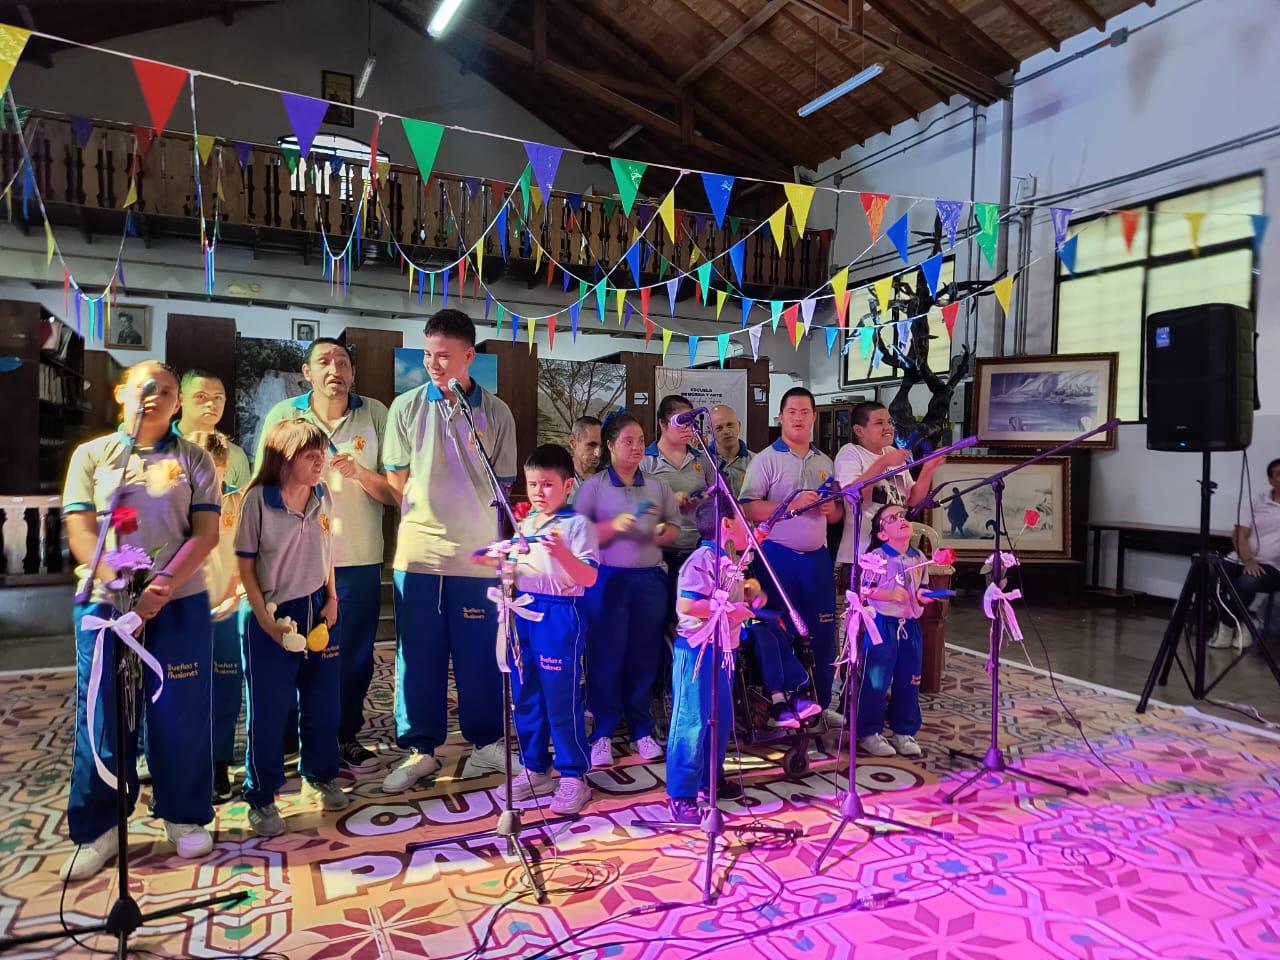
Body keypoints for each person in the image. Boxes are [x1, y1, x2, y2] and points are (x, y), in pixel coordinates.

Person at [60, 361, 221, 881]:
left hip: (176, 601)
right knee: (102, 714)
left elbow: (205, 534)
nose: (155, 397)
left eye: (167, 391)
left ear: (178, 403)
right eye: (145, 387)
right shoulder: (93, 456)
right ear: (121, 393)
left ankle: (184, 813)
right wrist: (112, 578)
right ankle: (99, 826)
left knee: (179, 710)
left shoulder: (195, 460)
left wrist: (162, 585)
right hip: (107, 603)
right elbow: (82, 530)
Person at [381, 309, 517, 792]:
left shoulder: (497, 412)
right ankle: (420, 749)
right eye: (428, 354)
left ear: (468, 357)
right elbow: (397, 480)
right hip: (418, 555)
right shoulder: (405, 407)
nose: (434, 364)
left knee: (479, 654)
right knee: (418, 654)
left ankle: (485, 745)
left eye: (444, 356)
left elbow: (501, 487)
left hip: (477, 556)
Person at [254, 338, 394, 767]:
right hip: (293, 558)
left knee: (351, 654)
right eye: (324, 362)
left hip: (357, 557)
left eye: (343, 362)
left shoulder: (374, 414)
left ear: (353, 372)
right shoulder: (285, 415)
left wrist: (358, 473)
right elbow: (264, 486)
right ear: (306, 371)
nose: (335, 369)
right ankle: (290, 737)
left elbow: (393, 493)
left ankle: (343, 733)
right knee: (290, 647)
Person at [473, 444, 599, 815]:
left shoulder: (579, 525)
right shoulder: (524, 523)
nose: (539, 493)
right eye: (532, 484)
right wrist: (502, 562)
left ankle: (574, 774)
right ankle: (534, 767)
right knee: (525, 694)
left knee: (561, 699)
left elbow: (588, 577)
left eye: (547, 484)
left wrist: (561, 553)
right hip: (522, 614)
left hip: (560, 615)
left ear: (568, 484)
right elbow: (514, 568)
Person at [235, 419, 345, 836]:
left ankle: (320, 774)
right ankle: (261, 798)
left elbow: (329, 550)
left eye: (322, 455)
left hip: (318, 608)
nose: (320, 463)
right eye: (310, 455)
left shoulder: (322, 496)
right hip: (273, 612)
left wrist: (332, 600)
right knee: (269, 709)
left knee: (323, 702)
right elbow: (245, 563)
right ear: (283, 458)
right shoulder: (258, 501)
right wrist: (264, 617)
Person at [575, 412, 680, 767]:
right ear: (610, 445)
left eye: (640, 441)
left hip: (649, 580)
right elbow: (577, 536)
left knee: (644, 656)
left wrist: (652, 534)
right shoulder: (594, 487)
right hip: (606, 580)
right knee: (605, 656)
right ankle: (602, 731)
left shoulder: (657, 486)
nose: (636, 448)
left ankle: (642, 730)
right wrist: (614, 529)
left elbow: (673, 530)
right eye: (627, 441)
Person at [740, 388, 843, 722]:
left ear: (814, 416)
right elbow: (748, 508)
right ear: (780, 417)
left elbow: (838, 515)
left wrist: (831, 509)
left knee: (822, 634)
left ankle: (821, 704)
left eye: (805, 412)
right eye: (792, 411)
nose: (799, 418)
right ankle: (780, 702)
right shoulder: (766, 459)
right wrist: (789, 504)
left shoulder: (825, 461)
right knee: (778, 631)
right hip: (776, 558)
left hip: (816, 560)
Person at [665, 492, 756, 823]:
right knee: (692, 719)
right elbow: (688, 606)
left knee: (721, 716)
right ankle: (682, 793)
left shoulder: (729, 562)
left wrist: (746, 601)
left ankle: (710, 778)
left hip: (724, 649)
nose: (752, 527)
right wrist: (733, 610)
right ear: (727, 524)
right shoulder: (700, 561)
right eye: (745, 520)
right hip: (698, 651)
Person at [188, 430, 245, 803]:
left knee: (225, 688)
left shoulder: (236, 502)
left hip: (227, 608)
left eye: (218, 469)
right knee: (188, 689)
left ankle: (220, 762)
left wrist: (235, 595)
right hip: (187, 608)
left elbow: (247, 552)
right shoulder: (179, 502)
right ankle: (188, 763)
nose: (213, 477)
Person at [854, 504, 936, 759]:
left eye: (903, 516)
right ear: (882, 534)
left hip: (909, 626)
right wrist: (889, 594)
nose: (901, 519)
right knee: (876, 680)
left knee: (910, 678)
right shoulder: (876, 556)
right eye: (892, 518)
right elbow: (863, 590)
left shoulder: (919, 557)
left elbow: (921, 587)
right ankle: (868, 731)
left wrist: (924, 596)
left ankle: (903, 730)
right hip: (883, 625)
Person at [833, 401, 946, 583]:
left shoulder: (892, 452)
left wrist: (927, 470)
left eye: (890, 422)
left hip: (895, 555)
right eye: (879, 423)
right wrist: (883, 462)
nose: (888, 427)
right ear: (859, 430)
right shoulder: (850, 453)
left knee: (898, 608)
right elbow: (853, 495)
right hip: (863, 556)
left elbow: (913, 499)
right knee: (868, 610)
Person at [641, 395, 710, 623]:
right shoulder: (646, 461)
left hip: (696, 552)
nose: (687, 429)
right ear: (662, 424)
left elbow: (717, 498)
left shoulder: (703, 459)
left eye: (691, 422)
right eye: (681, 421)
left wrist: (704, 500)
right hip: (661, 554)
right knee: (661, 622)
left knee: (692, 622)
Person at [1213, 457, 1280, 648]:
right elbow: (1240, 534)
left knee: (1247, 581)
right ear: (1270, 480)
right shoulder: (1255, 501)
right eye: (1278, 475)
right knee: (1206, 572)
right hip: (1242, 559)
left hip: (1273, 567)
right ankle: (1242, 622)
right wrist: (1248, 559)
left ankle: (1226, 626)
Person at [175, 370, 252, 493]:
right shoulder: (160, 444)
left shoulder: (235, 455)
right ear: (181, 400)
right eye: (201, 396)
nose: (211, 404)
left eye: (218, 397)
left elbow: (242, 507)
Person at [709, 404, 753, 497]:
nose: (726, 431)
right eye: (719, 428)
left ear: (739, 425)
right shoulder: (703, 462)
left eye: (730, 425)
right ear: (711, 432)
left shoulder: (756, 461)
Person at [567, 416, 603, 495]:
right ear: (573, 442)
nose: (598, 453)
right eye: (591, 445)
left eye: (602, 446)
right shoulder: (557, 480)